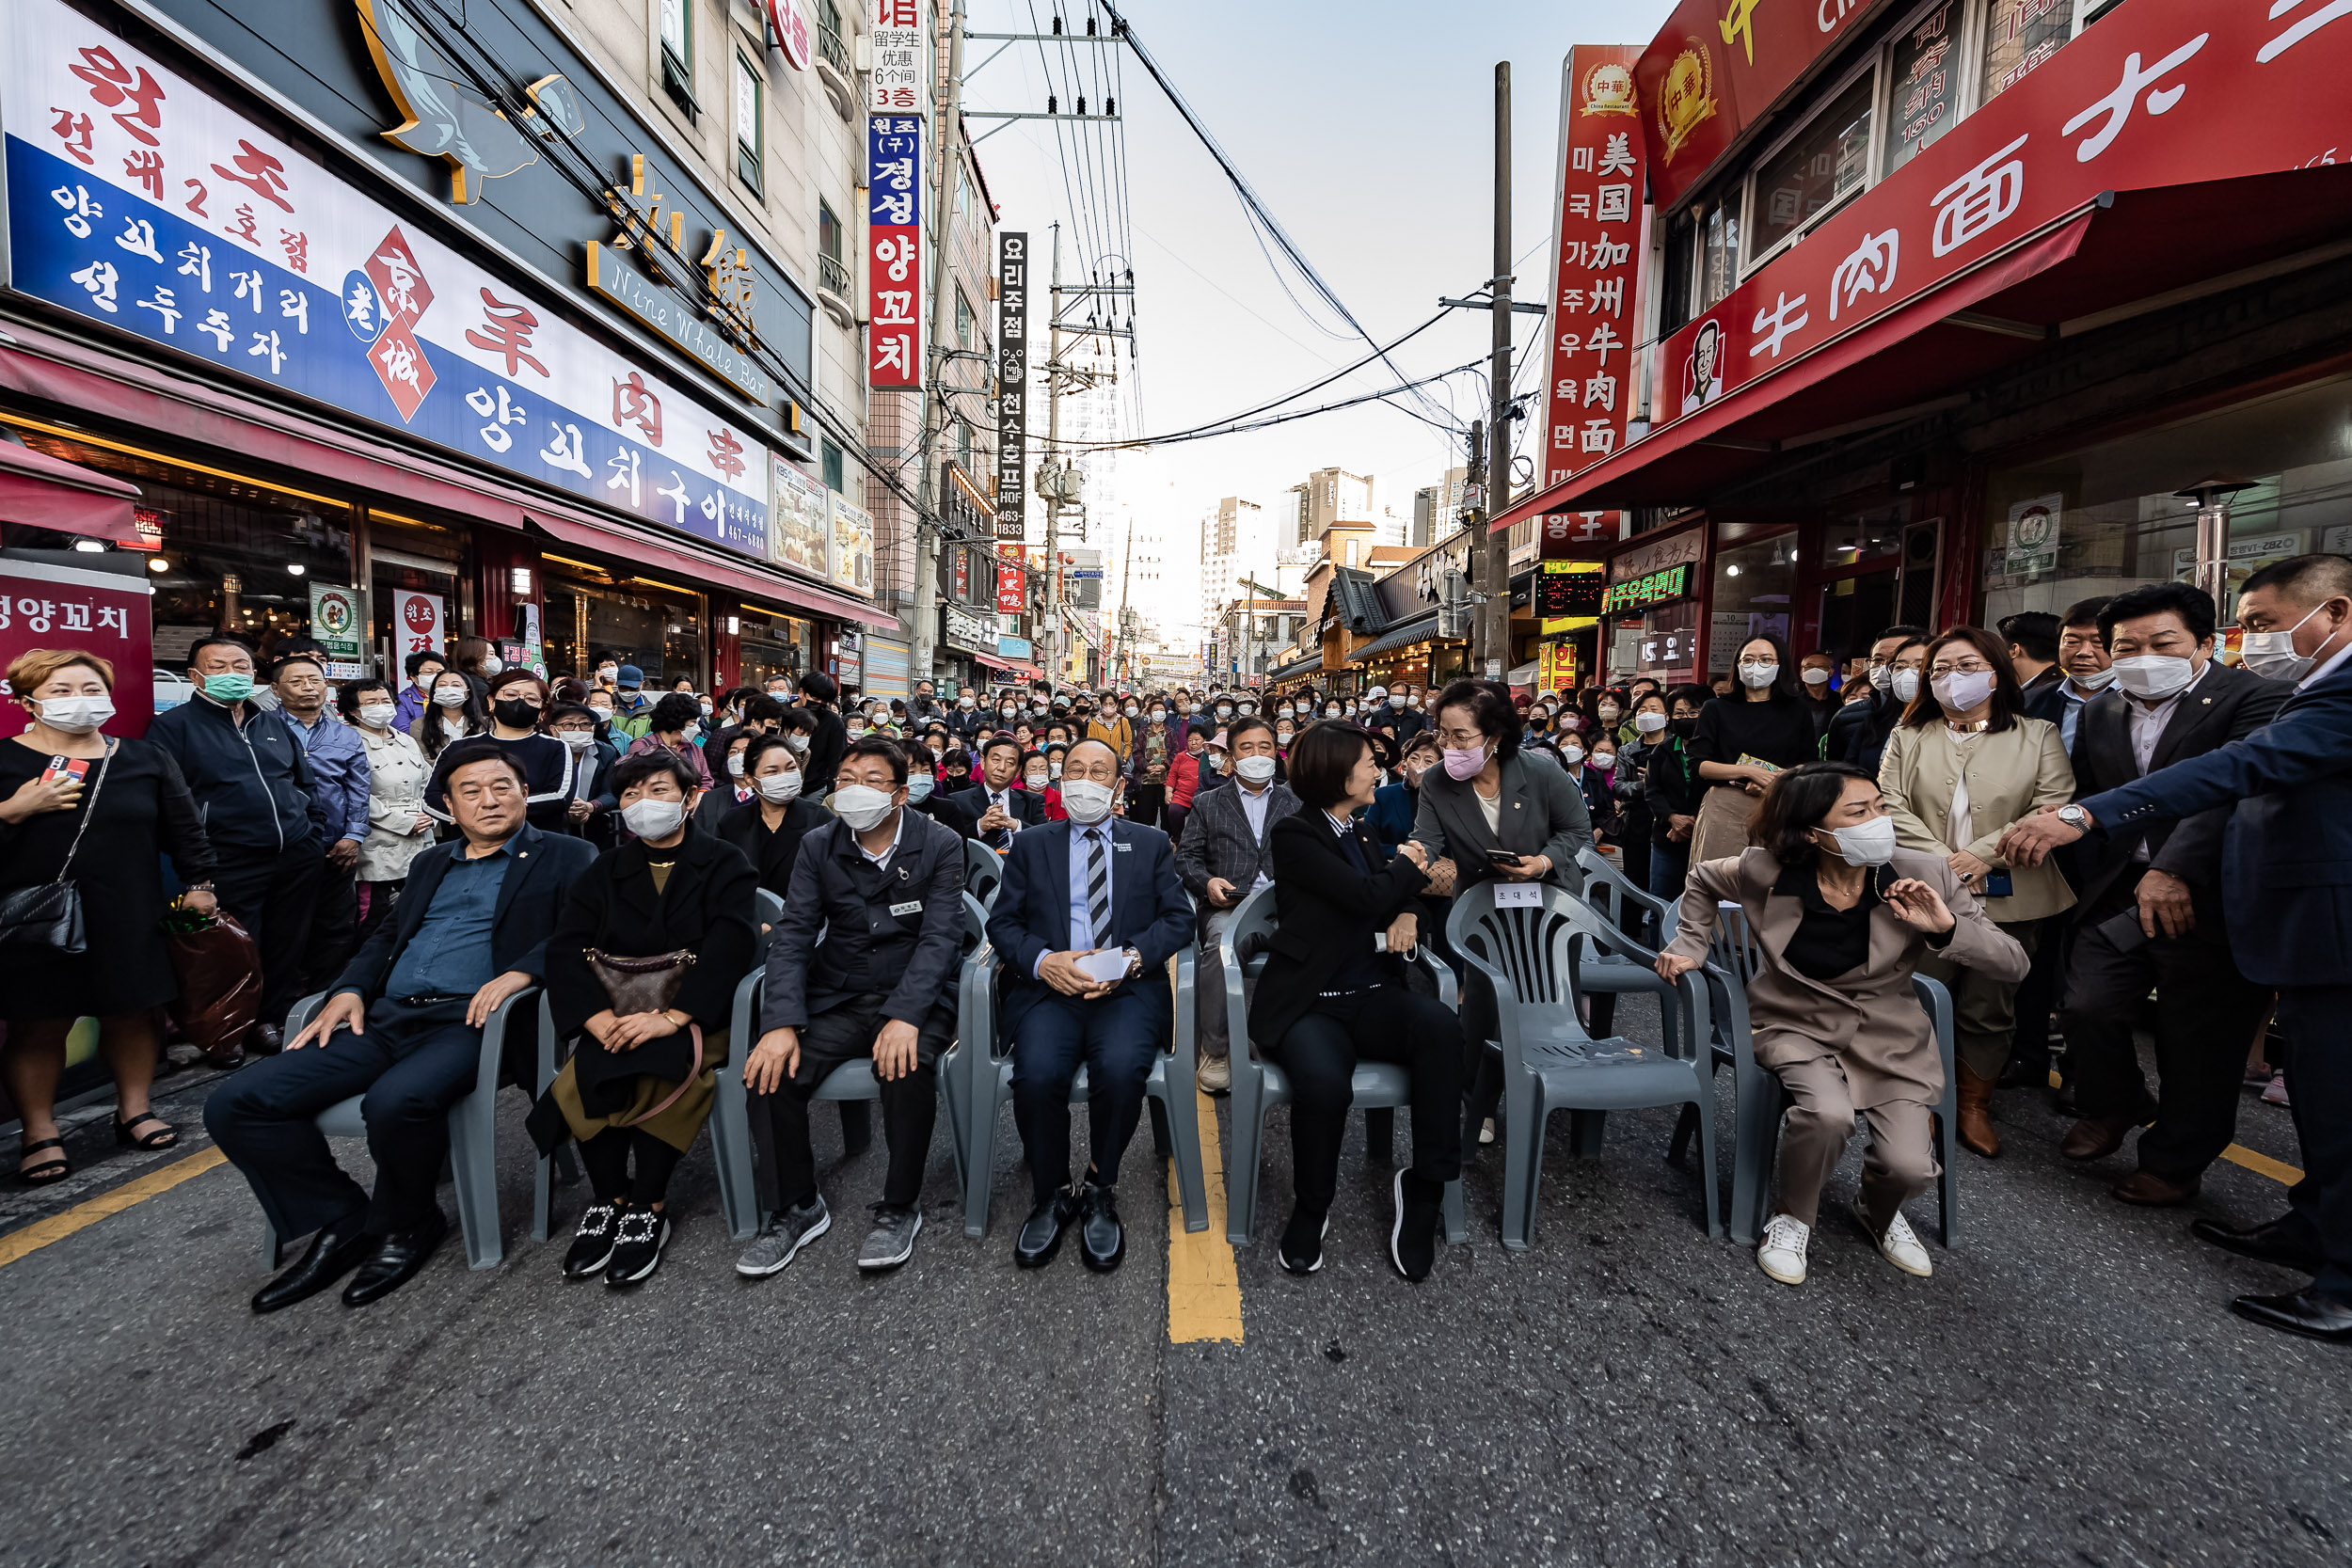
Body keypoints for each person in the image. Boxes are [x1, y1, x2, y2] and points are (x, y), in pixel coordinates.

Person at [2001, 553, 2352, 1342]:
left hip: (2311, 921)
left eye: (2264, 623)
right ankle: (2310, 1227)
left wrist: (2093, 819)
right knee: (2322, 1102)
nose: (2253, 638)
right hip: (2270, 916)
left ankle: (2343, 1283)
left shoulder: (2299, 696)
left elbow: (2236, 771)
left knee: (2329, 1102)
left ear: (2333, 613)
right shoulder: (2303, 688)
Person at [210, 742, 596, 1311]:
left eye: (502, 788)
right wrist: (346, 989)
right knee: (237, 1101)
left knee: (397, 1100)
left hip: (478, 1022)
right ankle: (342, 1218)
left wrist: (521, 972)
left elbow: (582, 932)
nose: (489, 801)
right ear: (447, 805)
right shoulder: (431, 862)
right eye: (471, 792)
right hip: (389, 1017)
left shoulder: (568, 854)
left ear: (523, 794)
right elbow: (388, 937)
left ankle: (407, 1222)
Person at [1657, 763, 2027, 1286]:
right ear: (1813, 832)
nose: (1879, 820)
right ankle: (1792, 1215)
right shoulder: (1765, 868)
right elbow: (1700, 878)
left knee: (1910, 1167)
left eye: (1880, 806)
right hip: (1791, 1023)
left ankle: (1876, 1211)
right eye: (1858, 812)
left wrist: (1945, 928)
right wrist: (1690, 942)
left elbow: (2014, 962)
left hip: (1887, 1032)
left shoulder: (1926, 872)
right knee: (1827, 1115)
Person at [2041, 583, 2286, 1205]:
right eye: (2127, 645)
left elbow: (2235, 788)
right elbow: (2099, 795)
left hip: (2215, 890)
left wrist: (2174, 867)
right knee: (2086, 1002)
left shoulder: (2260, 699)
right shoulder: (2103, 708)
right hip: (2123, 886)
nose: (2143, 655)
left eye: (2162, 642)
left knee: (2197, 1037)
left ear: (2204, 642)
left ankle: (2175, 1161)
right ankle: (2116, 1101)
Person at [526, 751, 757, 1286]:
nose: (642, 804)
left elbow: (732, 945)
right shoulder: (604, 869)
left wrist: (675, 1016)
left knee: (656, 1063)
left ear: (690, 798)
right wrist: (592, 1016)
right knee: (592, 1066)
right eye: (631, 794)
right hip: (617, 1012)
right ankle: (609, 1197)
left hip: (699, 1014)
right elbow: (566, 947)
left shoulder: (724, 862)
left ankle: (648, 1206)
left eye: (658, 790)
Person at [740, 737, 966, 1275]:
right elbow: (794, 935)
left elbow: (941, 938)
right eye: (845, 780)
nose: (854, 790)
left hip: (917, 991)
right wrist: (780, 1023)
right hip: (839, 990)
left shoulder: (940, 843)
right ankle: (796, 1205)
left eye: (871, 781)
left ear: (899, 794)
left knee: (905, 1067)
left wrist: (905, 1016)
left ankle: (898, 1206)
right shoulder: (819, 844)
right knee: (769, 1072)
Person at [1251, 721, 1462, 1279]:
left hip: (1372, 994)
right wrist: (1409, 869)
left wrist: (1409, 909)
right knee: (1322, 1084)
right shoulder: (1296, 835)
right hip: (1310, 1003)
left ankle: (1424, 1189)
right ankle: (1311, 1206)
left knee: (1442, 1028)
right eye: (1370, 762)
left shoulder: (1362, 831)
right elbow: (1366, 893)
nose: (1380, 770)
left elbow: (1393, 898)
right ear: (1337, 771)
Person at [1, 649, 216, 1181]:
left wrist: (200, 883)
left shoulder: (144, 758)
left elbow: (185, 829)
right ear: (28, 701)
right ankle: (39, 1131)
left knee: (133, 1012)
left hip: (127, 909)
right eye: (62, 691)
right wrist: (14, 810)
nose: (81, 701)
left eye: (91, 689)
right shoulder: (5, 761)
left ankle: (135, 1109)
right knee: (39, 1024)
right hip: (38, 917)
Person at [985, 739, 1192, 1272]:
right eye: (1074, 768)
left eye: (1099, 771)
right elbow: (1003, 924)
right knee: (1035, 1075)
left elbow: (1177, 919)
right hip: (1049, 988)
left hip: (1125, 989)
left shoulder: (1149, 843)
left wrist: (1131, 959)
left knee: (1122, 1069)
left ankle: (1101, 1185)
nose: (1085, 778)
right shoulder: (1033, 844)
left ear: (1117, 786)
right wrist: (1042, 961)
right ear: (1059, 779)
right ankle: (1053, 1190)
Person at [1876, 626, 2074, 1158]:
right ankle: (1921, 1101)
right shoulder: (1908, 735)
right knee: (1919, 995)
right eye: (1938, 670)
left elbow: (2052, 805)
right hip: (1924, 888)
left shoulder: (2038, 734)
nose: (1950, 678)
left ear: (1995, 672)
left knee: (1991, 1003)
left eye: (1965, 666)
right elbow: (1889, 805)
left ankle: (1973, 1104)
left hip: (2012, 890)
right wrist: (1950, 865)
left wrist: (1982, 855)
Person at [149, 635, 325, 1051]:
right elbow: (170, 805)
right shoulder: (173, 727)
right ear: (195, 676)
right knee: (235, 949)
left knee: (287, 943)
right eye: (219, 667)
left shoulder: (271, 723)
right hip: (228, 858)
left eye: (241, 666)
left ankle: (272, 1020)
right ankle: (229, 1030)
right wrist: (199, 870)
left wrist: (312, 833)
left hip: (295, 854)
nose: (232, 674)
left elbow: (304, 783)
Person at [1174, 717, 1299, 1096]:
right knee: (1221, 948)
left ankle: (1292, 1039)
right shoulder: (1208, 802)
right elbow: (1187, 858)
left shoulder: (1296, 802)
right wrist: (1207, 882)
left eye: (1265, 748)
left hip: (1286, 906)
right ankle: (1215, 1049)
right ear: (1231, 756)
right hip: (1231, 905)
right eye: (1247, 748)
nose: (1257, 756)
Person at [1408, 679, 1589, 895]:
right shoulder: (1436, 780)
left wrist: (1544, 861)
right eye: (1443, 734)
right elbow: (1427, 839)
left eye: (1460, 737)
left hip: (1549, 892)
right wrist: (1416, 853)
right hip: (1479, 896)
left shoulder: (1541, 771)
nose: (1449, 747)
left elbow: (1576, 828)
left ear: (1494, 737)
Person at [273, 654, 371, 991]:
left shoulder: (346, 735)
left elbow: (359, 788)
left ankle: (326, 993)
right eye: (296, 681)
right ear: (275, 689)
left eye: (314, 680)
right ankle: (282, 998)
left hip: (335, 844)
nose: (308, 688)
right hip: (282, 844)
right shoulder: (261, 728)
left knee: (335, 923)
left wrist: (355, 835)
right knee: (284, 923)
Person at [1687, 636, 1820, 863]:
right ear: (1737, 665)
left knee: (1769, 882)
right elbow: (1699, 765)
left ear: (1780, 665)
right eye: (1748, 659)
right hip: (1725, 802)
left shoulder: (1797, 709)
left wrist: (1776, 779)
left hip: (1777, 801)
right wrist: (1748, 771)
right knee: (1718, 880)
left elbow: (1809, 763)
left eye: (1766, 659)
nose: (1755, 665)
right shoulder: (1716, 708)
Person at [340, 677, 434, 947]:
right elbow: (355, 795)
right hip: (378, 844)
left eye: (385, 701)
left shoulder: (404, 739)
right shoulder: (348, 741)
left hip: (421, 837)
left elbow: (427, 780)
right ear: (354, 711)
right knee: (374, 916)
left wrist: (429, 814)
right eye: (371, 703)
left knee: (420, 908)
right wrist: (402, 821)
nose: (381, 707)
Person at [425, 670, 575, 834]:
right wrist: (471, 821)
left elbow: (559, 796)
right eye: (511, 694)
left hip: (537, 845)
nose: (520, 701)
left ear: (542, 712)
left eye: (531, 698)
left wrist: (489, 813)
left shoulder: (555, 748)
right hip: (469, 847)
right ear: (491, 701)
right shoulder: (459, 748)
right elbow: (431, 798)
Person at [1825, 626, 1931, 774]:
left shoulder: (1951, 719)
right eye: (1878, 659)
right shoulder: (1849, 717)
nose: (1886, 666)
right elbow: (1838, 774)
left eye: (1916, 664)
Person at [1641, 686, 1710, 901]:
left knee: (1701, 901)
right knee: (1661, 900)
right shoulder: (1663, 751)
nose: (1686, 718)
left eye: (1693, 713)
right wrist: (1672, 817)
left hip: (1705, 836)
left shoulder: (1716, 751)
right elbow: (1652, 791)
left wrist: (1690, 821)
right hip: (1666, 837)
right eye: (1679, 714)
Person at [2028, 598, 2118, 749]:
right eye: (2071, 641)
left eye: (2098, 642)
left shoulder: (2141, 701)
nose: (2083, 653)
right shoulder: (2031, 700)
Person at [954, 734, 1047, 851]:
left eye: (1010, 763)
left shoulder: (1032, 801)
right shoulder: (958, 801)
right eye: (996, 760)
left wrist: (1016, 825)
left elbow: (1045, 838)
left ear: (1018, 771)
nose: (1001, 768)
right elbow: (950, 841)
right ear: (983, 762)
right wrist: (980, 826)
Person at [550, 701, 623, 849]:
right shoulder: (546, 753)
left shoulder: (606, 752)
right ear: (554, 730)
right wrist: (564, 809)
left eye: (585, 724)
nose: (578, 730)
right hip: (554, 825)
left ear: (593, 728)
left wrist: (590, 807)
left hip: (595, 827)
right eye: (569, 725)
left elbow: (611, 792)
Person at [619, 693, 714, 797]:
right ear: (677, 722)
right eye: (692, 723)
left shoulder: (695, 749)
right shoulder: (642, 747)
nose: (697, 728)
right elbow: (630, 784)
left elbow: (706, 780)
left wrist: (699, 796)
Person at [1367, 732, 1439, 847]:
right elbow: (1368, 840)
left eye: (1428, 761)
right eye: (1415, 758)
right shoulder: (1383, 795)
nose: (1419, 766)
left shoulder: (1447, 801)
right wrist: (1399, 852)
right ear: (1405, 761)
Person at [692, 726, 758, 835]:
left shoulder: (771, 795)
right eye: (733, 752)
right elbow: (696, 837)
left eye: (746, 751)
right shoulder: (710, 799)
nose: (739, 756)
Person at [411, 668, 486, 761]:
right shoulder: (419, 725)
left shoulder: (486, 724)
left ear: (468, 692)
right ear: (434, 692)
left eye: (456, 685)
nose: (448, 689)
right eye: (442, 685)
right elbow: (426, 760)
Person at [797, 671, 848, 794]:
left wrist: (831, 791)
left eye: (824, 702)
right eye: (815, 699)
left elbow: (837, 760)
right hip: (779, 788)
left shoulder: (833, 721)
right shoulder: (782, 715)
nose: (819, 704)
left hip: (815, 789)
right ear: (801, 693)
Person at [1999, 610, 2063, 702]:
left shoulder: (2041, 697)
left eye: (1999, 647)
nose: (1995, 654)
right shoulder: (2062, 689)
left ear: (2014, 650)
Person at [1164, 721, 1207, 843]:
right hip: (1182, 796)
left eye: (1197, 740)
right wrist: (1168, 792)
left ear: (1204, 740)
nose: (1193, 743)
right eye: (1190, 740)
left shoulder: (1209, 757)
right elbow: (1172, 775)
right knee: (1174, 811)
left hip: (1203, 796)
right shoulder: (1181, 756)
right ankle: (1178, 839)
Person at [394, 650, 444, 735]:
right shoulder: (402, 701)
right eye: (429, 672)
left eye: (440, 672)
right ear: (413, 676)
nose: (436, 676)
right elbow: (403, 732)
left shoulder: (451, 695)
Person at [1799, 652, 1841, 738]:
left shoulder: (1841, 701)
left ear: (1831, 672)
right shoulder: (1792, 701)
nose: (1814, 670)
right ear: (1801, 672)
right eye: (1809, 666)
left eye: (1821, 666)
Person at [609, 665, 655, 741]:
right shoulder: (608, 706)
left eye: (633, 688)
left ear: (642, 684)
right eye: (623, 687)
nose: (628, 691)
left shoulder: (651, 711)